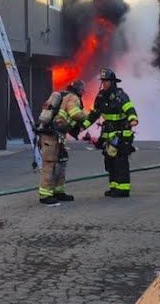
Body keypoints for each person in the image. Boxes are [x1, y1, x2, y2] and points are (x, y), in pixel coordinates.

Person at [35, 78, 87, 205]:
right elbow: (75, 114)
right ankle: (45, 195)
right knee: (50, 164)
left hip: (55, 135)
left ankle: (58, 191)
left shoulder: (62, 95)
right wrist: (87, 115)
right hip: (52, 136)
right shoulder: (72, 98)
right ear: (79, 90)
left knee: (60, 163)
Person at [89, 67, 139, 198]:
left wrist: (133, 119)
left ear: (112, 82)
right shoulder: (100, 97)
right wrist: (82, 126)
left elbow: (129, 108)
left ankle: (123, 189)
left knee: (120, 163)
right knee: (110, 163)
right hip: (108, 136)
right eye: (103, 81)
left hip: (122, 136)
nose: (104, 83)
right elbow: (93, 115)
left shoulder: (120, 95)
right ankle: (114, 187)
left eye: (106, 81)